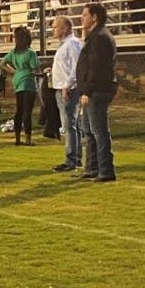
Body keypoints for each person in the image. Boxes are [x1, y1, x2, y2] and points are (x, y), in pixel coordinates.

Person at [77, 3, 118, 182]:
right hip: (94, 89)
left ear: (94, 17)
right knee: (88, 130)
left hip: (97, 90)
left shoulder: (100, 37)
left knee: (99, 131)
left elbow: (96, 67)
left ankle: (105, 170)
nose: (82, 18)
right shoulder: (96, 36)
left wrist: (87, 90)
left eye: (85, 15)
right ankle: (92, 167)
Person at [49, 16, 84, 172]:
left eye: (56, 27)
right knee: (71, 125)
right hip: (62, 87)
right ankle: (75, 157)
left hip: (68, 89)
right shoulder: (64, 45)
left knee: (69, 125)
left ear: (65, 28)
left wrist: (67, 85)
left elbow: (77, 67)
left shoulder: (72, 44)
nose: (53, 30)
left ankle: (72, 159)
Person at [3, 27, 42, 146]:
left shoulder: (13, 53)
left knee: (19, 111)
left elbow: (2, 63)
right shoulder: (30, 53)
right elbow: (36, 69)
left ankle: (17, 139)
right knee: (27, 112)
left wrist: (14, 71)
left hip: (18, 81)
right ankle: (28, 139)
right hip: (28, 82)